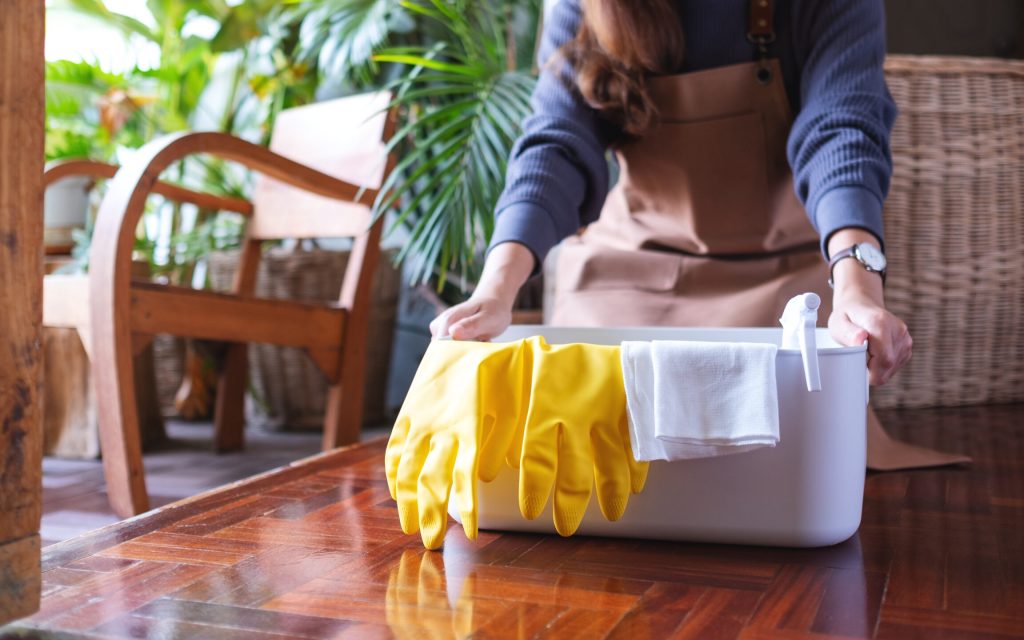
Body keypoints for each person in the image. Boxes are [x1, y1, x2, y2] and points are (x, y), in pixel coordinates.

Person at [430, 0, 967, 469]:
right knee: (575, 457)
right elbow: (556, 146)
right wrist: (494, 291)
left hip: (779, 300)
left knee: (788, 466)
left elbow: (843, 128)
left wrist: (856, 287)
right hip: (626, 288)